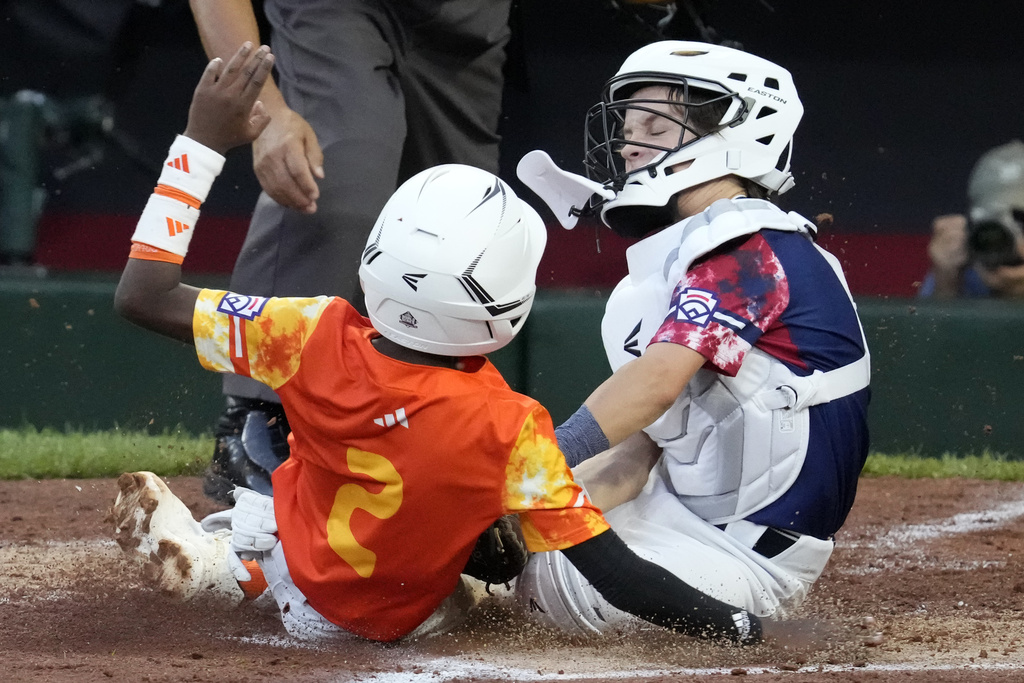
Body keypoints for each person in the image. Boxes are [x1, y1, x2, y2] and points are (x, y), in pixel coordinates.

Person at [110, 43, 788, 646]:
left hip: (310, 565)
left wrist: (200, 142)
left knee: (299, 483)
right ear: (508, 304)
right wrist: (737, 625)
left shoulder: (308, 329)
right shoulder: (513, 429)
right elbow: (616, 574)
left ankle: (235, 562)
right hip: (388, 621)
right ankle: (239, 562)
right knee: (489, 580)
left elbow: (143, 294)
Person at [513, 40, 873, 637]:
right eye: (628, 124)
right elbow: (638, 454)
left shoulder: (749, 250)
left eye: (656, 124)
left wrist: (527, 469)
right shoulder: (690, 260)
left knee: (520, 581)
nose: (629, 141)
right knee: (479, 543)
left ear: (738, 134)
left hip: (740, 559)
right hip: (677, 516)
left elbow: (651, 388)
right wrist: (517, 514)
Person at [187, 0, 513, 503]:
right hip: (337, 8)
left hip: (470, 20)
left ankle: (432, 428)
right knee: (338, 174)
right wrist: (268, 113)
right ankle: (261, 417)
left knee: (462, 212)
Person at [919, 140, 1024, 298]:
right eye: (995, 218)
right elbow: (928, 323)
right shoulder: (970, 261)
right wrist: (945, 286)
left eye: (1020, 220)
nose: (1011, 233)